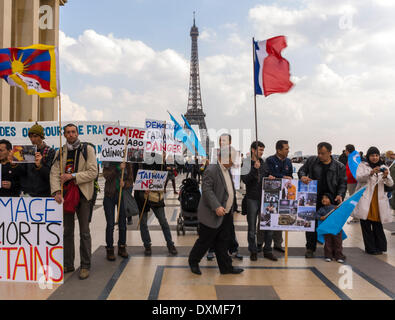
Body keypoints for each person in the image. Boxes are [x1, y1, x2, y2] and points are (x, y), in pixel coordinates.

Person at [50, 123, 98, 280]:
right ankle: (68, 263)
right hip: (66, 196)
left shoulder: (87, 149)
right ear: (64, 135)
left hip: (83, 195)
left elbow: (93, 172)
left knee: (84, 231)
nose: (71, 134)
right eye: (68, 132)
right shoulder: (61, 152)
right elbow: (54, 173)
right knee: (67, 231)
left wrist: (73, 176)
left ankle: (85, 265)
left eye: (73, 132)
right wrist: (56, 191)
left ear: (77, 133)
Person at [188, 146, 243, 275]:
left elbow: (227, 189)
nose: (234, 162)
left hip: (226, 213)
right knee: (205, 241)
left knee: (223, 241)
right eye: (232, 158)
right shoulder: (211, 169)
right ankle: (193, 261)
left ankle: (226, 267)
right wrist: (216, 206)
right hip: (212, 213)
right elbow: (207, 190)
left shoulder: (226, 169)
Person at [298, 142, 347, 258]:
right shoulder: (312, 161)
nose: (319, 155)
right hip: (314, 198)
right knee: (311, 224)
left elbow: (343, 184)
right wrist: (302, 177)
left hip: (331, 199)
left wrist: (340, 195)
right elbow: (301, 170)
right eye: (318, 153)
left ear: (330, 153)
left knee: (334, 226)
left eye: (323, 153)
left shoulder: (339, 167)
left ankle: (336, 251)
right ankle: (310, 248)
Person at [207, 134, 243, 261]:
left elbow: (236, 173)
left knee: (229, 227)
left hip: (228, 196)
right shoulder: (215, 155)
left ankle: (233, 248)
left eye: (225, 140)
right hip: (218, 197)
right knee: (214, 226)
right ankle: (211, 249)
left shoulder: (233, 154)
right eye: (221, 141)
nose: (222, 142)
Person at [352, 147, 393, 255]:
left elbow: (390, 184)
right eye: (372, 155)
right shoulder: (363, 166)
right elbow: (359, 178)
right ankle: (370, 248)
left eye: (376, 155)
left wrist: (385, 177)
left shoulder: (384, 167)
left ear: (379, 156)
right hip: (366, 199)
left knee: (377, 225)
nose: (374, 158)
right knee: (366, 225)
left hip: (378, 200)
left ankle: (381, 247)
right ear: (368, 156)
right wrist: (370, 173)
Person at [135, 155, 177, 256]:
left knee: (163, 220)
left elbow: (164, 176)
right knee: (143, 222)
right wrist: (143, 186)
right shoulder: (139, 158)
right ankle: (147, 245)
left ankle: (170, 244)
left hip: (155, 194)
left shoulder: (158, 158)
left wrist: (163, 162)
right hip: (141, 195)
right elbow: (135, 176)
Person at [241, 141, 277, 262]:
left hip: (265, 199)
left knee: (268, 226)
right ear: (253, 150)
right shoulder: (246, 163)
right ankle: (253, 250)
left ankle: (268, 250)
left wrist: (270, 178)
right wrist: (253, 169)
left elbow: (266, 176)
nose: (261, 152)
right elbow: (245, 180)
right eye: (259, 150)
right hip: (252, 199)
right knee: (252, 228)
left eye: (262, 150)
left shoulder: (263, 163)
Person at [265, 140, 293, 253]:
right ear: (279, 150)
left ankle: (278, 244)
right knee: (270, 219)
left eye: (288, 148)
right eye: (286, 148)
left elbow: (290, 175)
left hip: (284, 195)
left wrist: (288, 178)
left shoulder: (288, 162)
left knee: (282, 218)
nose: (288, 150)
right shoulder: (270, 160)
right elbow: (269, 173)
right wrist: (283, 177)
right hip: (272, 194)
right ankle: (263, 245)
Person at [102, 161, 134, 261]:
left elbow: (130, 180)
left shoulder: (127, 162)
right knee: (110, 224)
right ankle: (110, 249)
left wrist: (125, 184)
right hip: (109, 196)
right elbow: (106, 176)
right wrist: (117, 169)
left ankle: (122, 247)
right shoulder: (108, 160)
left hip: (122, 196)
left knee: (122, 223)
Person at [20, 123, 56, 197]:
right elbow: (22, 173)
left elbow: (52, 175)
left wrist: (40, 165)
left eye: (35, 136)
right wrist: (14, 164)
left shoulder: (50, 151)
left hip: (45, 195)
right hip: (29, 195)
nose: (32, 139)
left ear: (42, 137)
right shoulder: (27, 151)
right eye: (30, 137)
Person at [316, 193, 346, 263]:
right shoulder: (321, 209)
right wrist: (320, 217)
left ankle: (339, 256)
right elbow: (316, 215)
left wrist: (338, 208)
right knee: (328, 243)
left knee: (338, 243)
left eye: (326, 198)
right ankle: (328, 256)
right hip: (327, 229)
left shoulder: (335, 207)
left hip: (336, 229)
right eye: (323, 198)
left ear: (330, 200)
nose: (324, 199)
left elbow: (341, 213)